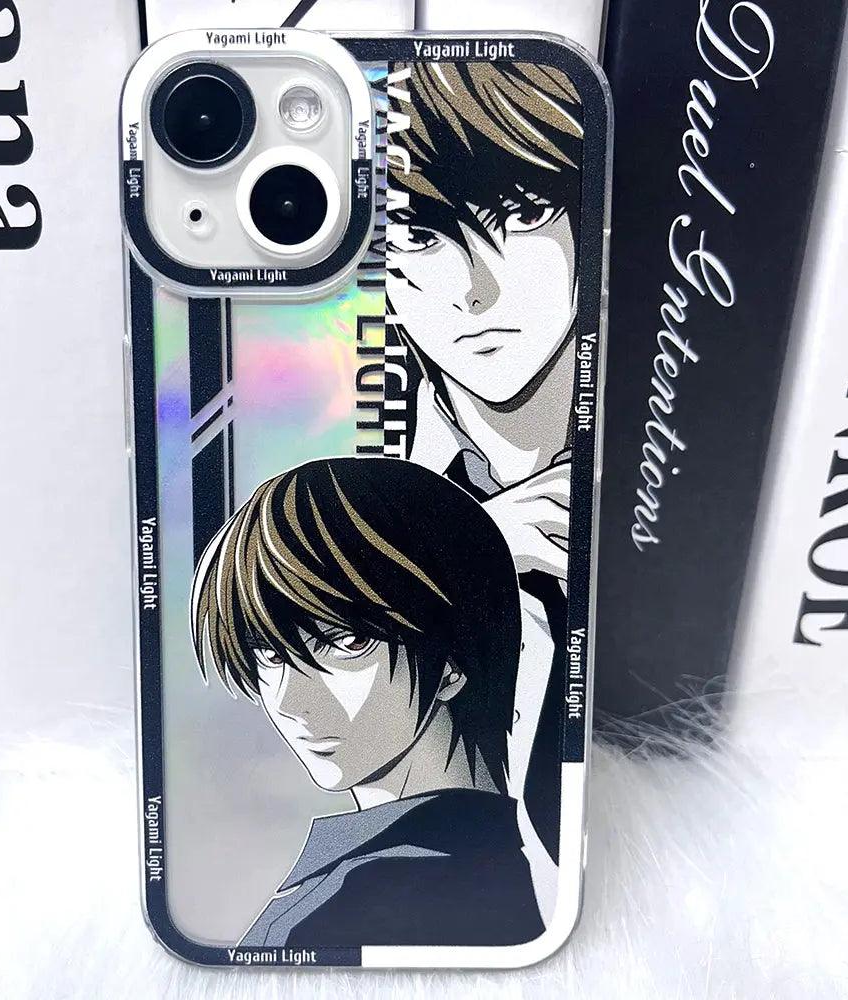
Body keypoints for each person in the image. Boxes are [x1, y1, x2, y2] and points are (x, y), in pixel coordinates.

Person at [190, 457, 544, 948]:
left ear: (452, 661)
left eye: (345, 641)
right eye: (269, 653)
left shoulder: (366, 897)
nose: (289, 700)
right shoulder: (480, 867)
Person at [386, 61, 585, 877]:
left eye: (523, 213)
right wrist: (468, 558)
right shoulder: (369, 496)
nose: (478, 291)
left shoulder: (667, 438)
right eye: (420, 236)